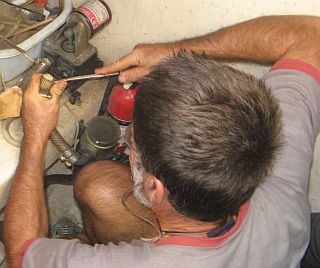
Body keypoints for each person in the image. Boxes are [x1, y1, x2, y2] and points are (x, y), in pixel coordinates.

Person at [3, 15, 320, 268]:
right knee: (96, 185)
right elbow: (311, 35)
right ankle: (86, 241)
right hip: (272, 245)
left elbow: (20, 255)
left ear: (155, 187)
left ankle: (83, 246)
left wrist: (35, 137)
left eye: (133, 141)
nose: (130, 144)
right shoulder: (275, 164)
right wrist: (172, 54)